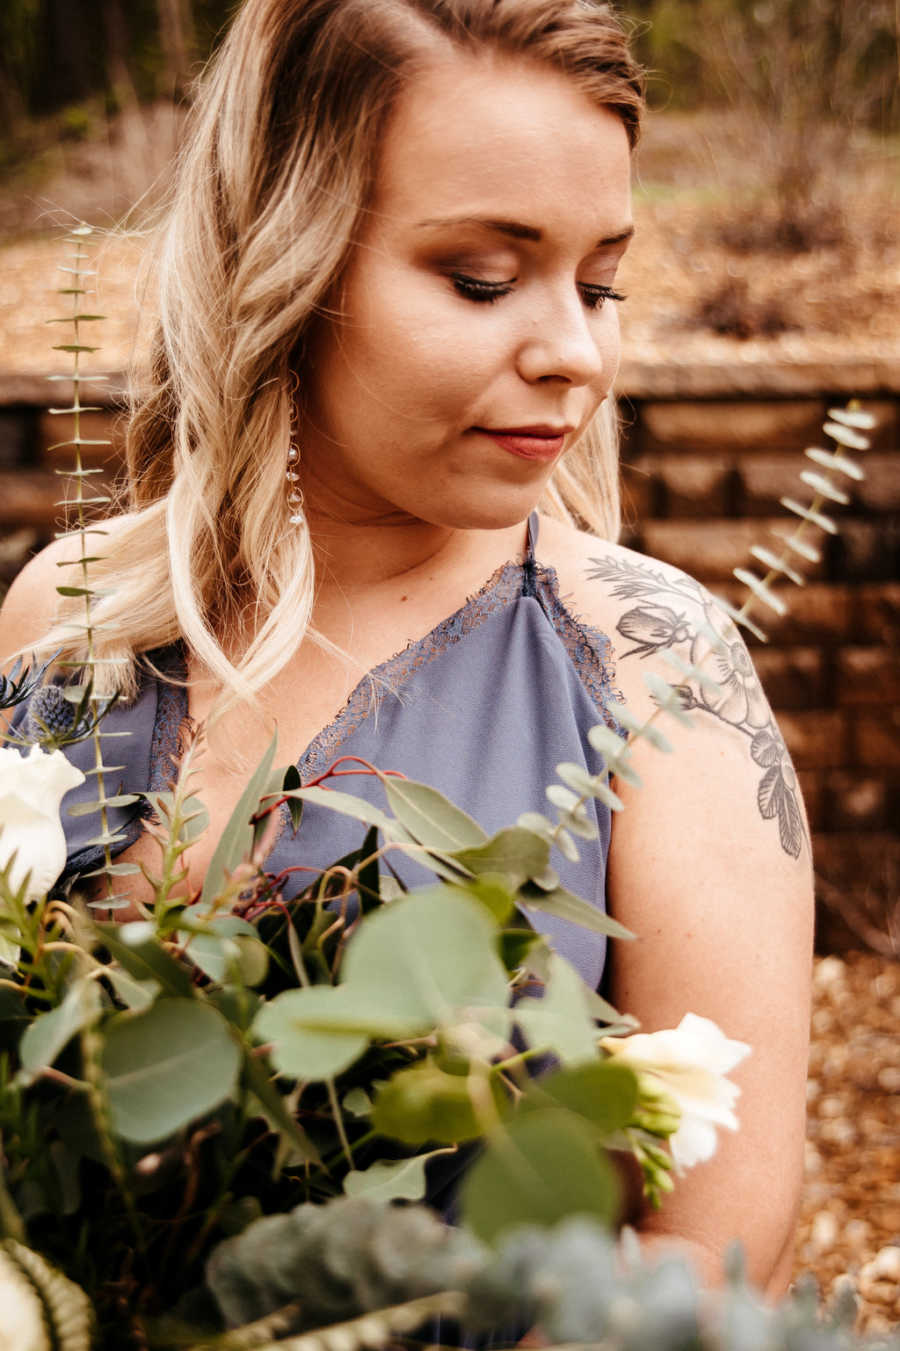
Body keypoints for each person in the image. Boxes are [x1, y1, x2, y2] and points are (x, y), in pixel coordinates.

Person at [0, 0, 812, 1297]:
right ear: (284, 258)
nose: (576, 353)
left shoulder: (662, 677)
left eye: (601, 281)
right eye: (483, 279)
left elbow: (710, 1254)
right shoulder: (66, 616)